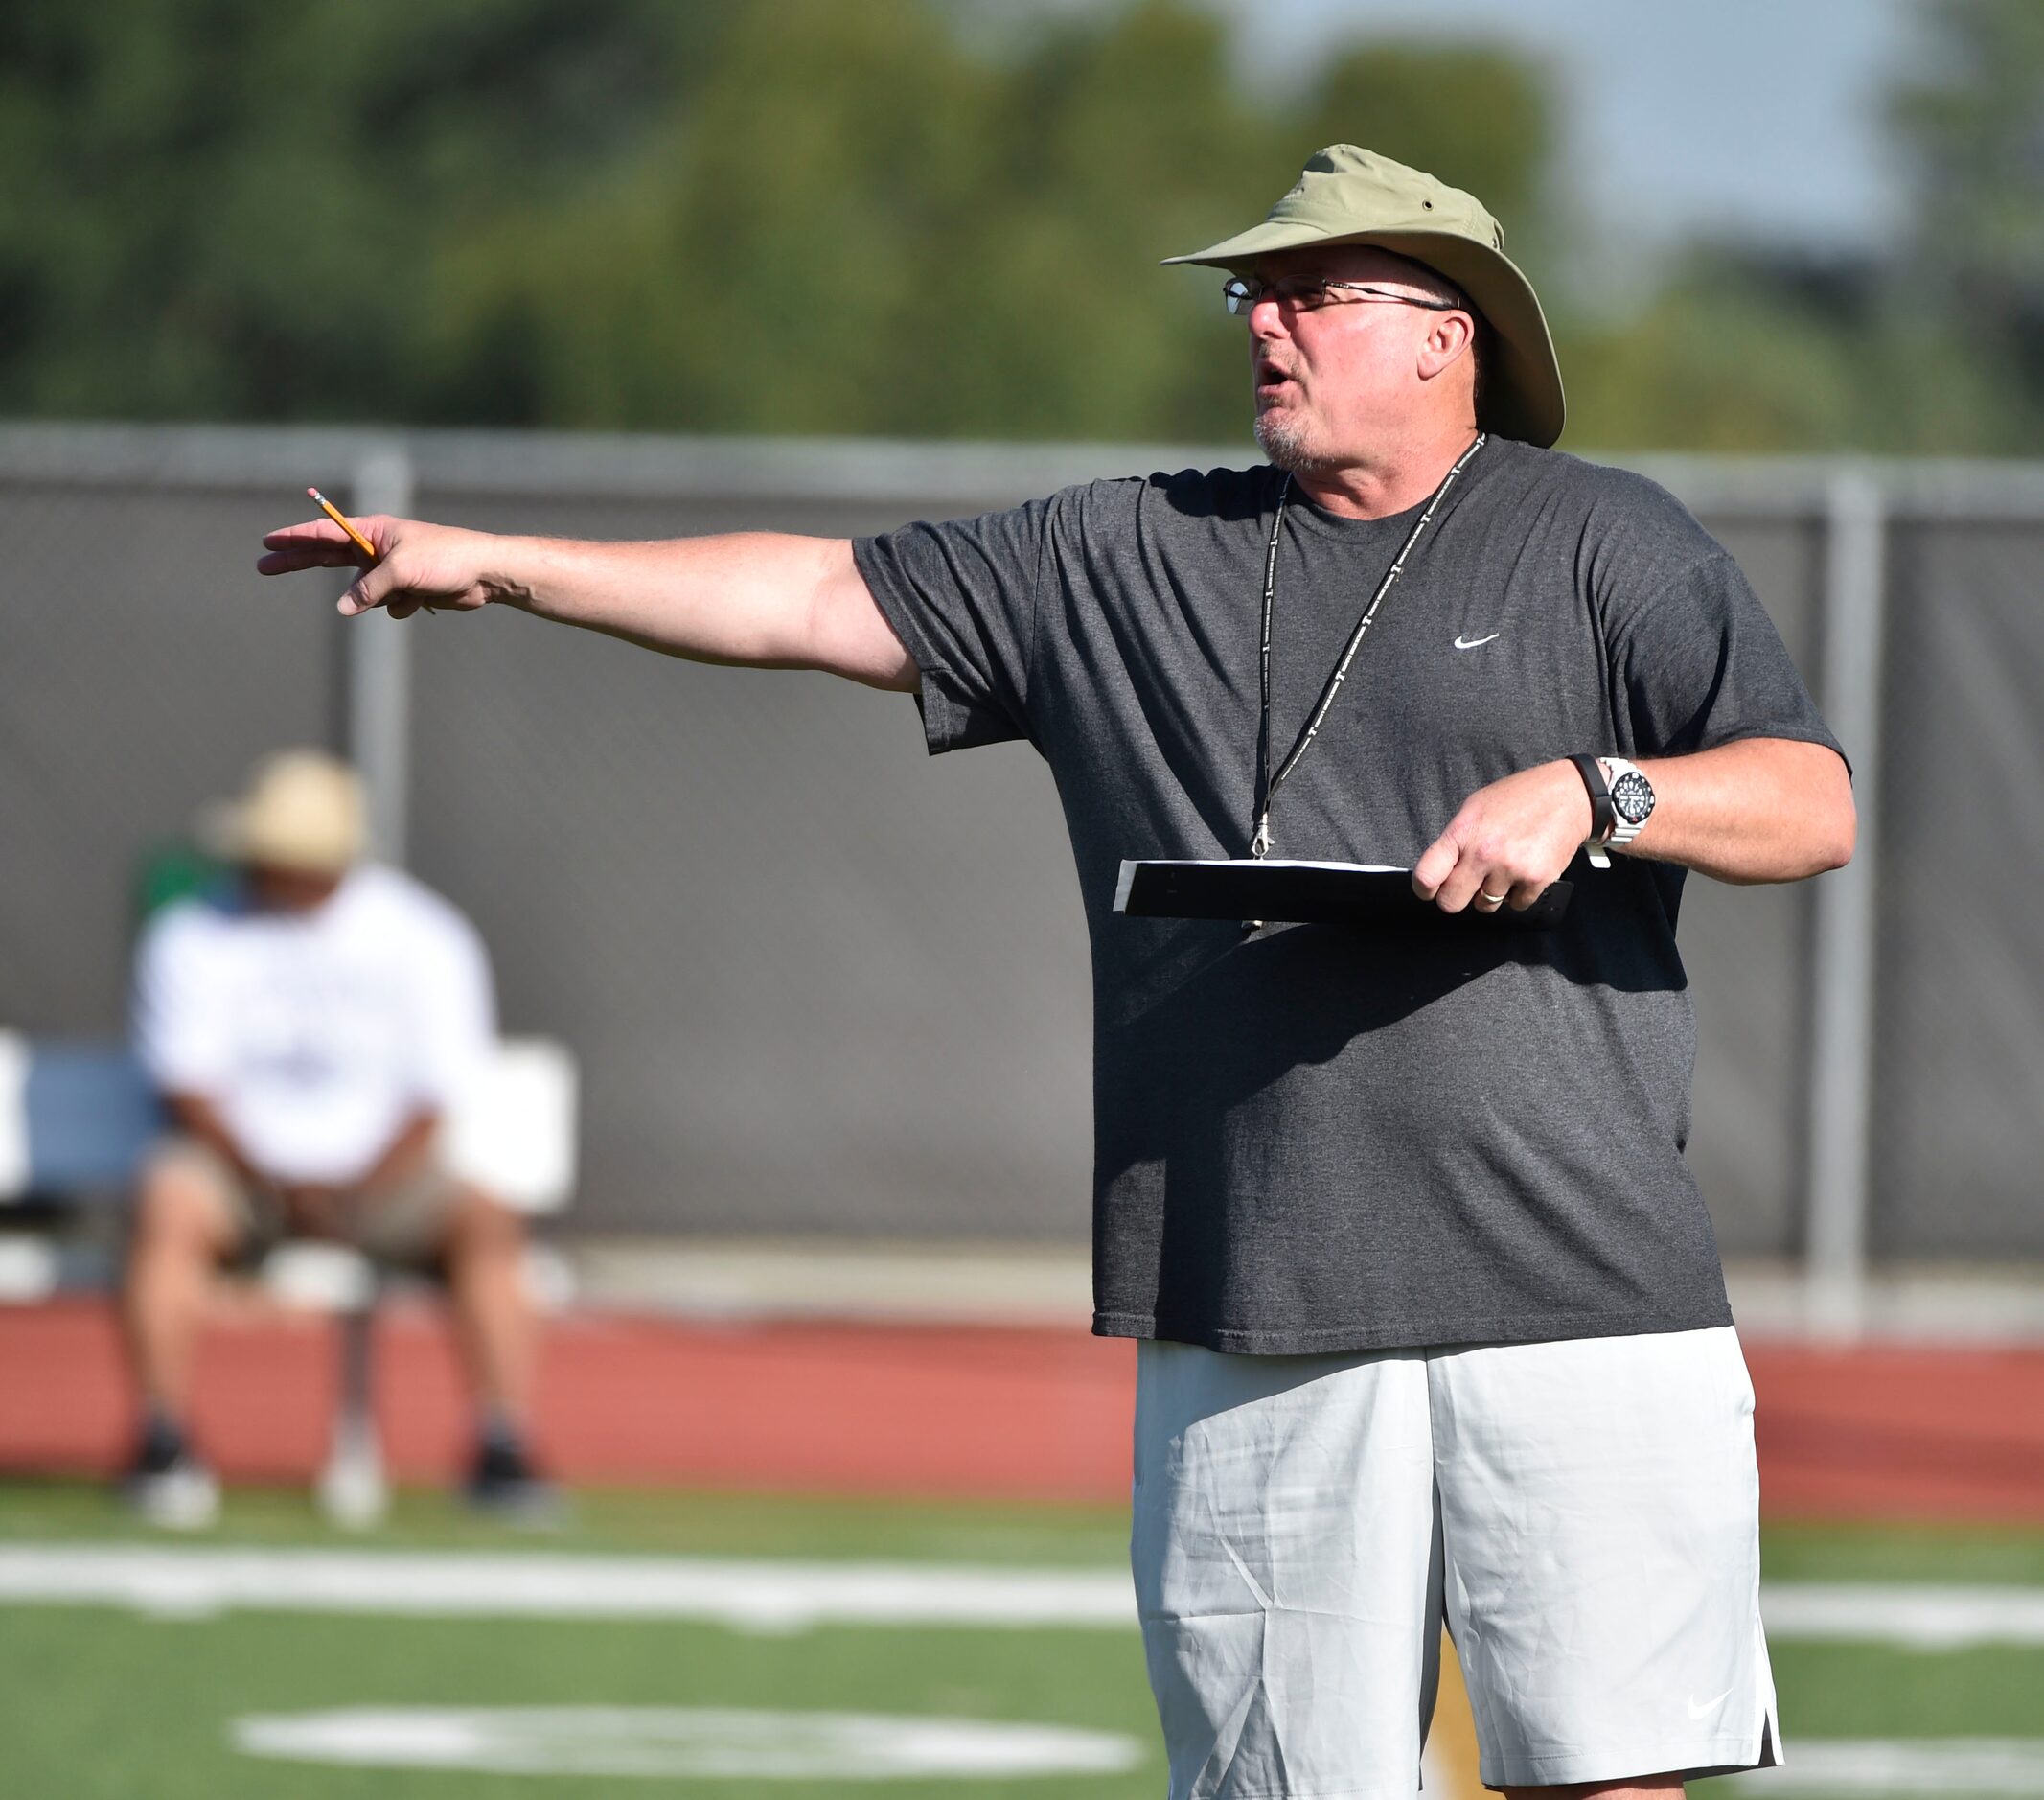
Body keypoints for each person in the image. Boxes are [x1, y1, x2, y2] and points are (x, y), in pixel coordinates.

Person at [258, 146, 1853, 1798]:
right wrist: (500, 562)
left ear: (1444, 332)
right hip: (1250, 1299)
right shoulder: (1124, 553)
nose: (1263, 325)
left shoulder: (1603, 540)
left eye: (1309, 292)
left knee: (1606, 1783)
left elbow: (1810, 801)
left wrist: (1603, 790)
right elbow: (815, 592)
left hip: (1579, 1295)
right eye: (1254, 293)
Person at [122, 750, 550, 1526]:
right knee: (167, 1204)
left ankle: (503, 1444)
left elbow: (432, 1097)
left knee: (488, 1220)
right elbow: (187, 1086)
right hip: (239, 1180)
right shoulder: (193, 932)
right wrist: (273, 1182)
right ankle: (163, 1439)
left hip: (383, 1184)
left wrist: (354, 1190)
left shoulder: (423, 936)